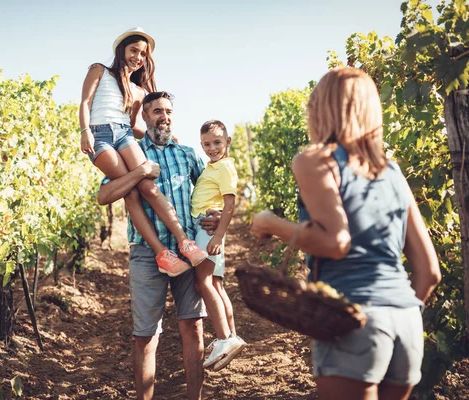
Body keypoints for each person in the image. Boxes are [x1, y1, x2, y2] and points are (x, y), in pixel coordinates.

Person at [251, 67, 441, 400]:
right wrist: (398, 313)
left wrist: (270, 223)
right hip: (408, 323)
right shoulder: (392, 171)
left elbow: (336, 243)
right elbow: (430, 273)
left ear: (320, 108)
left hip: (355, 321)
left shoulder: (317, 160)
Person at [97, 91, 220, 400]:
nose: (164, 116)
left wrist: (216, 214)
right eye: (156, 111)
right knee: (146, 336)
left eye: (168, 111)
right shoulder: (132, 153)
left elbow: (210, 193)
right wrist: (138, 173)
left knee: (192, 327)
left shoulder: (189, 154)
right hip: (145, 255)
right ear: (145, 117)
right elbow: (104, 195)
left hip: (187, 251)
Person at [79, 27, 207, 276]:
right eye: (133, 50)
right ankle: (162, 253)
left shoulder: (139, 91)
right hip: (101, 136)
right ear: (122, 50)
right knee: (133, 194)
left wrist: (168, 135)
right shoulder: (99, 70)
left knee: (149, 186)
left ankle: (184, 242)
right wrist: (85, 130)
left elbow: (135, 127)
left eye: (142, 54)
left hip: (124, 134)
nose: (137, 57)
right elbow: (85, 102)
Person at [190, 120, 246, 371]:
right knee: (216, 284)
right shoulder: (212, 167)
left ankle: (224, 337)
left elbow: (230, 204)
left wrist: (217, 236)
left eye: (217, 142)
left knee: (202, 282)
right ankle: (230, 337)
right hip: (207, 227)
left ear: (228, 142)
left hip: (206, 228)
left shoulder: (224, 168)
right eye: (206, 144)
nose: (211, 148)